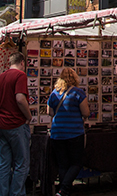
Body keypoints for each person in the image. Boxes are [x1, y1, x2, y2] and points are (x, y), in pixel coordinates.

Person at [0, 51, 31, 196]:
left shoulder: (0, 77)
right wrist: (28, 115)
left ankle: (3, 193)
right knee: (21, 163)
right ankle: (16, 193)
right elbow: (20, 98)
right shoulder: (20, 76)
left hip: (1, 125)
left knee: (5, 164)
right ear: (22, 63)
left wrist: (0, 114)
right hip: (16, 125)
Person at [47, 68, 88, 196]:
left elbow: (50, 112)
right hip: (74, 132)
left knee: (63, 164)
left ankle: (63, 191)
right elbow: (86, 112)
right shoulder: (78, 93)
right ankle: (64, 189)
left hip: (57, 133)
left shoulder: (55, 93)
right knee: (76, 163)